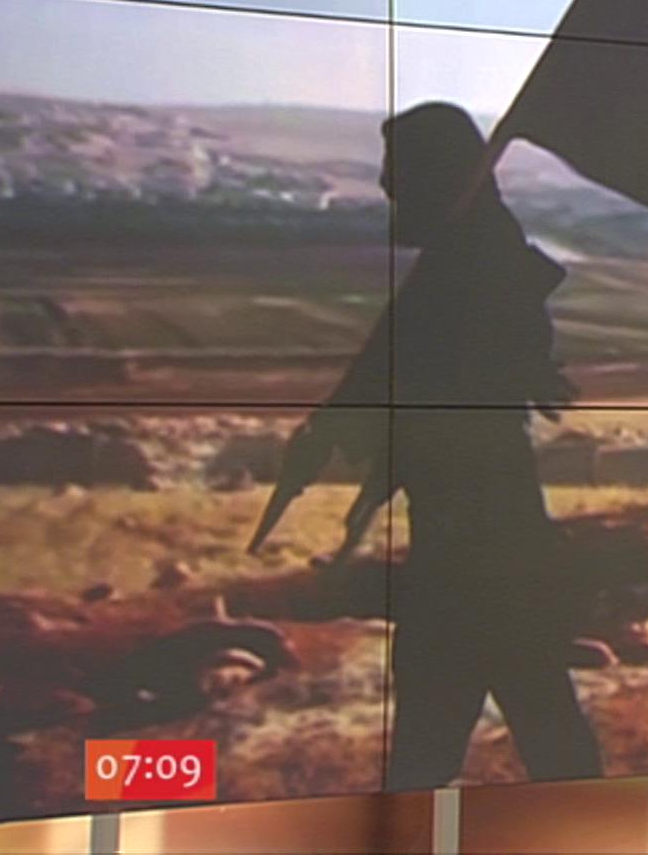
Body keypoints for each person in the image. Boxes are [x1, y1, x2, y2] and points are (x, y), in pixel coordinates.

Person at [251, 101, 603, 789]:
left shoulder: (479, 263)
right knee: (498, 727)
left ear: (439, 176)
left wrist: (350, 432)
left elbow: (438, 385)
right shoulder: (466, 259)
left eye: (399, 173)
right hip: (469, 543)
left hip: (483, 547)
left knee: (505, 729)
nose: (387, 187)